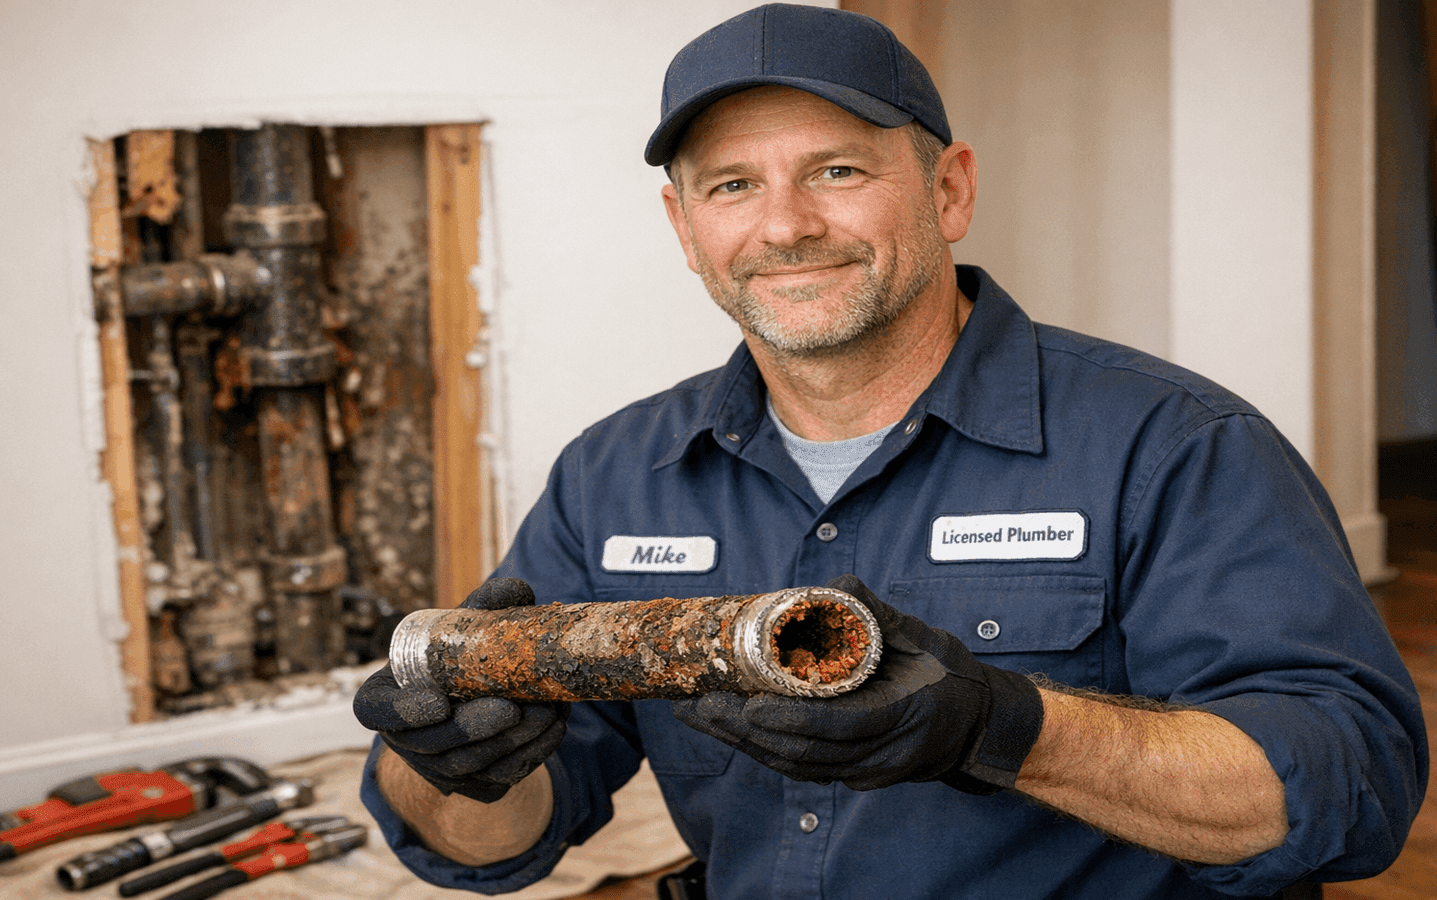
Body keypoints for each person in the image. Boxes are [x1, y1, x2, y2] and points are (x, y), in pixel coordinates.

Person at [354, 5, 1428, 898]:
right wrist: (447, 768)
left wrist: (1006, 728)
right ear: (685, 230)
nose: (784, 226)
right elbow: (497, 845)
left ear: (949, 189)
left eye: (835, 170)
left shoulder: (1174, 445)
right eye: (732, 185)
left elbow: (1350, 789)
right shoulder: (613, 475)